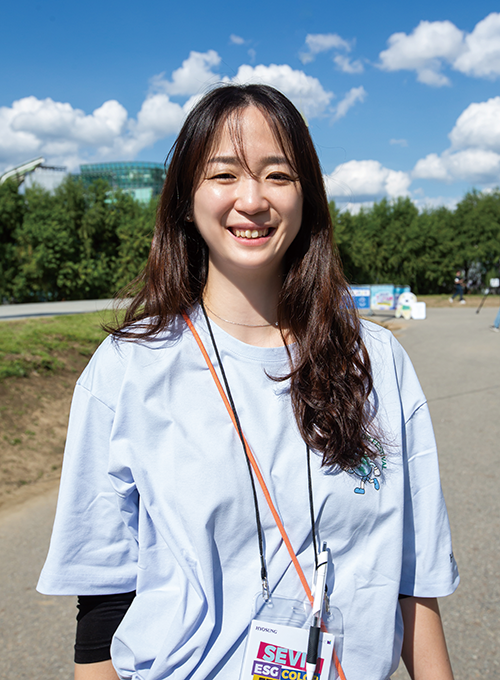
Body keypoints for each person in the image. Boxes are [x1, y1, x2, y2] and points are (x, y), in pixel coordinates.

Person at [38, 84, 459, 680]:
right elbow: (103, 602)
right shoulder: (128, 368)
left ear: (307, 196)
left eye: (278, 175)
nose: (253, 199)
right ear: (186, 200)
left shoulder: (375, 361)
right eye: (224, 174)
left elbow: (414, 580)